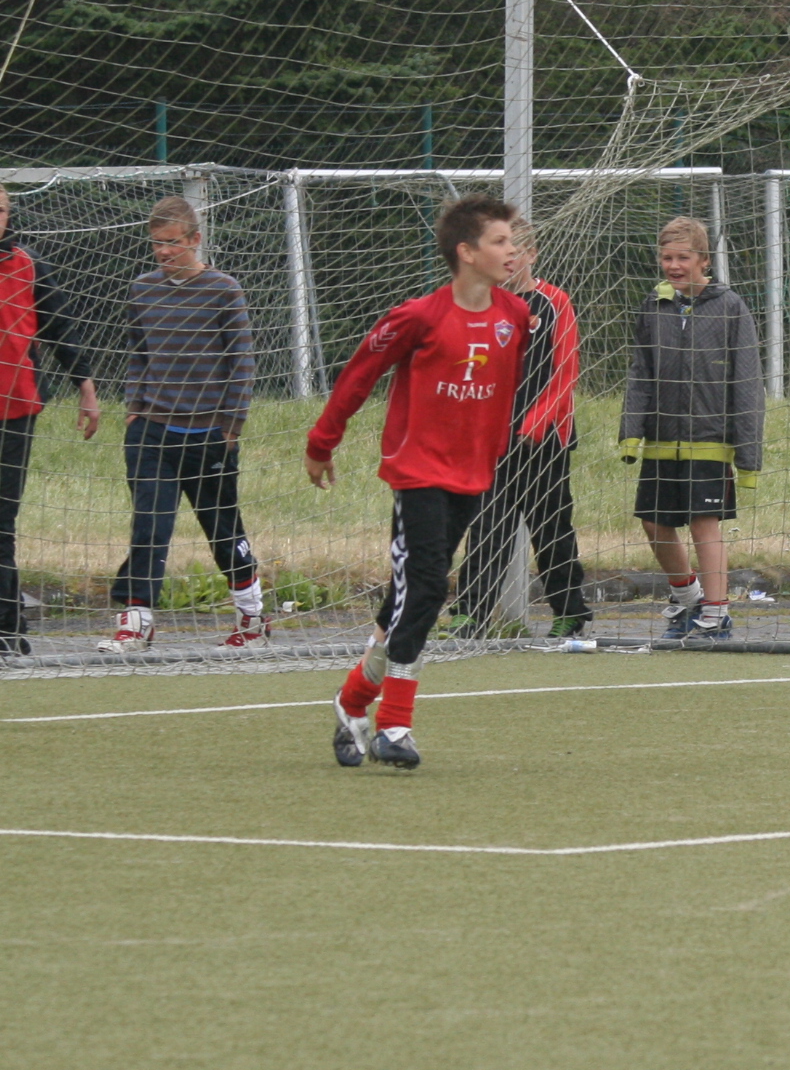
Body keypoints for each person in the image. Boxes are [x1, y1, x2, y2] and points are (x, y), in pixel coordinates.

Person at [305, 194, 530, 769]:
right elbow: (359, 373)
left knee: (405, 600)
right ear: (467, 252)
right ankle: (395, 726)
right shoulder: (418, 316)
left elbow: (503, 392)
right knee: (427, 588)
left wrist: (495, 449)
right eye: (501, 241)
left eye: (513, 241)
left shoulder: (514, 316)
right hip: (417, 473)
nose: (513, 250)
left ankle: (353, 699)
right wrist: (322, 442)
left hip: (472, 474)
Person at [104, 195, 263, 654]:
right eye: (157, 243)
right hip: (152, 429)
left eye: (173, 242)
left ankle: (252, 617)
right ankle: (136, 622)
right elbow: (138, 353)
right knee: (149, 526)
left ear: (195, 239)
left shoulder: (224, 289)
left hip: (209, 434)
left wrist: (231, 427)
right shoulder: (141, 289)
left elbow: (242, 363)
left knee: (222, 529)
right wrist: (135, 408)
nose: (164, 252)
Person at [447, 215, 590, 640]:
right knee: (487, 526)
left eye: (516, 252)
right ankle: (469, 615)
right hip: (492, 441)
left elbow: (565, 372)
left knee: (551, 530)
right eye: (500, 252)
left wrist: (535, 423)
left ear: (532, 255)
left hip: (544, 442)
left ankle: (569, 613)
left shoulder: (555, 302)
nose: (508, 261)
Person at [622, 215, 763, 640]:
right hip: (662, 441)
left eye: (683, 257)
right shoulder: (654, 305)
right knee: (653, 523)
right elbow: (640, 372)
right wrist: (631, 429)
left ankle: (716, 614)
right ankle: (688, 597)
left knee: (704, 522)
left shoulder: (730, 306)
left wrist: (748, 452)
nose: (674, 265)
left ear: (704, 260)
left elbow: (747, 381)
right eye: (667, 257)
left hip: (710, 440)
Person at [0, 186, 103, 655]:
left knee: (2, 522)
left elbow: (60, 327)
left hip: (16, 412)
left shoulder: (28, 264)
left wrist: (86, 387)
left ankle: (9, 630)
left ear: (9, 214)